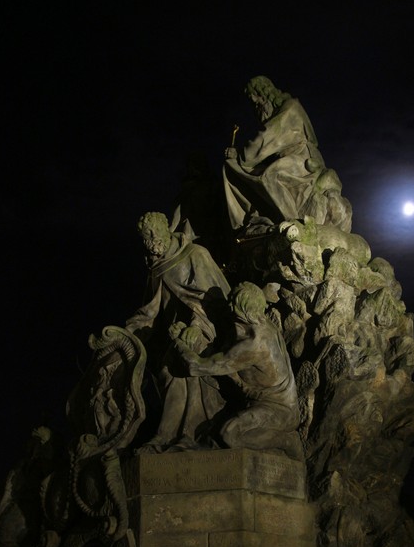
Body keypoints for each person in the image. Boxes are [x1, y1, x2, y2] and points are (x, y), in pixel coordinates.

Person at [126, 211, 231, 451]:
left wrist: (195, 326)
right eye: (145, 237)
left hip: (207, 329)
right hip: (174, 335)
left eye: (154, 232)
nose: (151, 239)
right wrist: (130, 330)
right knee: (164, 367)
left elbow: (213, 299)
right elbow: (150, 311)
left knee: (179, 365)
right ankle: (168, 436)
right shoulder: (158, 267)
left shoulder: (195, 254)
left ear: (167, 228)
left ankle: (191, 434)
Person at [174, 281, 304, 461]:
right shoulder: (262, 326)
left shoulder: (254, 344)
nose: (228, 306)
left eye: (232, 302)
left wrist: (179, 343)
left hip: (279, 411)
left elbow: (196, 366)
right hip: (256, 401)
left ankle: (287, 442)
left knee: (229, 433)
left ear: (242, 308)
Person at [223, 75, 326, 232]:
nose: (257, 107)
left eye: (257, 101)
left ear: (264, 94)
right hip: (289, 158)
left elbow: (268, 137)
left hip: (304, 159)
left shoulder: (290, 108)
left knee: (271, 175)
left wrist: (240, 154)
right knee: (249, 172)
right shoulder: (281, 109)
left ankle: (295, 224)